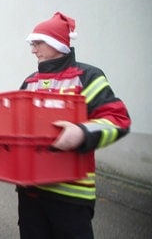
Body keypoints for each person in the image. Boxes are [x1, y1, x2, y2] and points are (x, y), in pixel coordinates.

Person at [16, 12, 132, 239]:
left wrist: (81, 132)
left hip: (71, 196)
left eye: (38, 43)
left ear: (55, 42)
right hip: (30, 194)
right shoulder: (30, 81)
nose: (33, 50)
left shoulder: (88, 76)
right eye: (33, 44)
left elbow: (118, 120)